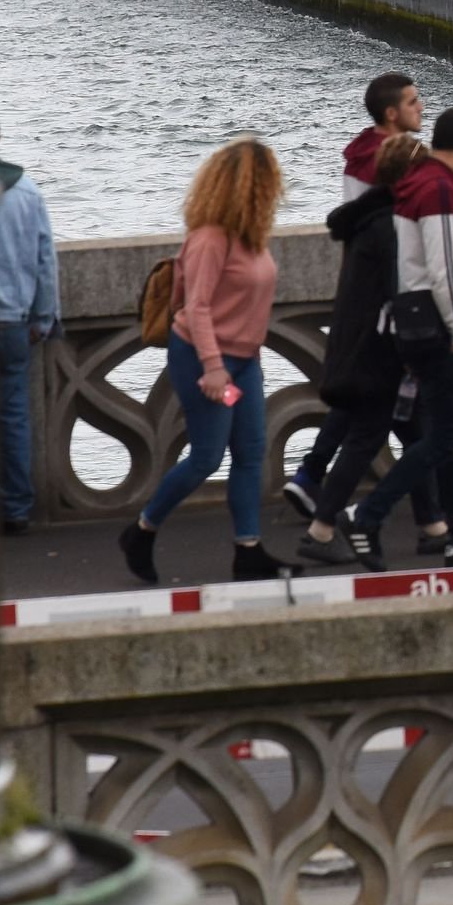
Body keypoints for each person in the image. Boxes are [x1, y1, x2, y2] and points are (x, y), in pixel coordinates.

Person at [299, 112, 453, 568]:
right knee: (433, 435)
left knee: (426, 434)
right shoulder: (432, 195)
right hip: (403, 339)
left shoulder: (395, 205)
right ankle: (357, 518)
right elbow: (439, 271)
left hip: (396, 335)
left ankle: (442, 531)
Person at [122, 137, 286, 586]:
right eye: (269, 181)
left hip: (244, 363)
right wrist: (214, 367)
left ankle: (248, 549)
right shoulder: (210, 239)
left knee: (251, 452)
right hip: (203, 360)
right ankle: (141, 531)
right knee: (207, 457)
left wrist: (242, 358)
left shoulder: (251, 237)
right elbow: (196, 308)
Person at [292, 130, 414, 521]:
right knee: (406, 433)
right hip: (383, 339)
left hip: (360, 330)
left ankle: (314, 476)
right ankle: (333, 517)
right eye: (413, 102)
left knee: (381, 422)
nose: (420, 107)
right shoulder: (389, 223)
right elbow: (399, 287)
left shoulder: (363, 195)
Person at [0, 103, 57, 535]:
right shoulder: (27, 189)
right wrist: (44, 318)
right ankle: (16, 506)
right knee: (13, 415)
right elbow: (45, 262)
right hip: (13, 322)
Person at [345, 69, 421, 202]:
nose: (420, 107)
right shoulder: (396, 159)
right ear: (391, 114)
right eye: (412, 102)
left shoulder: (359, 153)